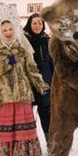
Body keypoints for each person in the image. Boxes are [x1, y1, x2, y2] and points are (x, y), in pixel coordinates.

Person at [0, 19, 48, 156]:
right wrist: (9, 61)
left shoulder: (22, 48)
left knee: (27, 126)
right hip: (5, 94)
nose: (8, 33)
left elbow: (32, 69)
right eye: (5, 30)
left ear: (15, 30)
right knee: (8, 127)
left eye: (10, 29)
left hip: (23, 93)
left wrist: (40, 85)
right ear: (0, 32)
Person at [23, 13, 54, 148]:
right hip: (27, 82)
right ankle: (30, 145)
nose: (37, 26)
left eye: (40, 23)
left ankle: (50, 143)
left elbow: (52, 62)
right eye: (34, 23)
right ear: (29, 24)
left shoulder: (47, 40)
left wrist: (52, 80)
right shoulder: (23, 40)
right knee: (27, 116)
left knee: (46, 113)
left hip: (44, 82)